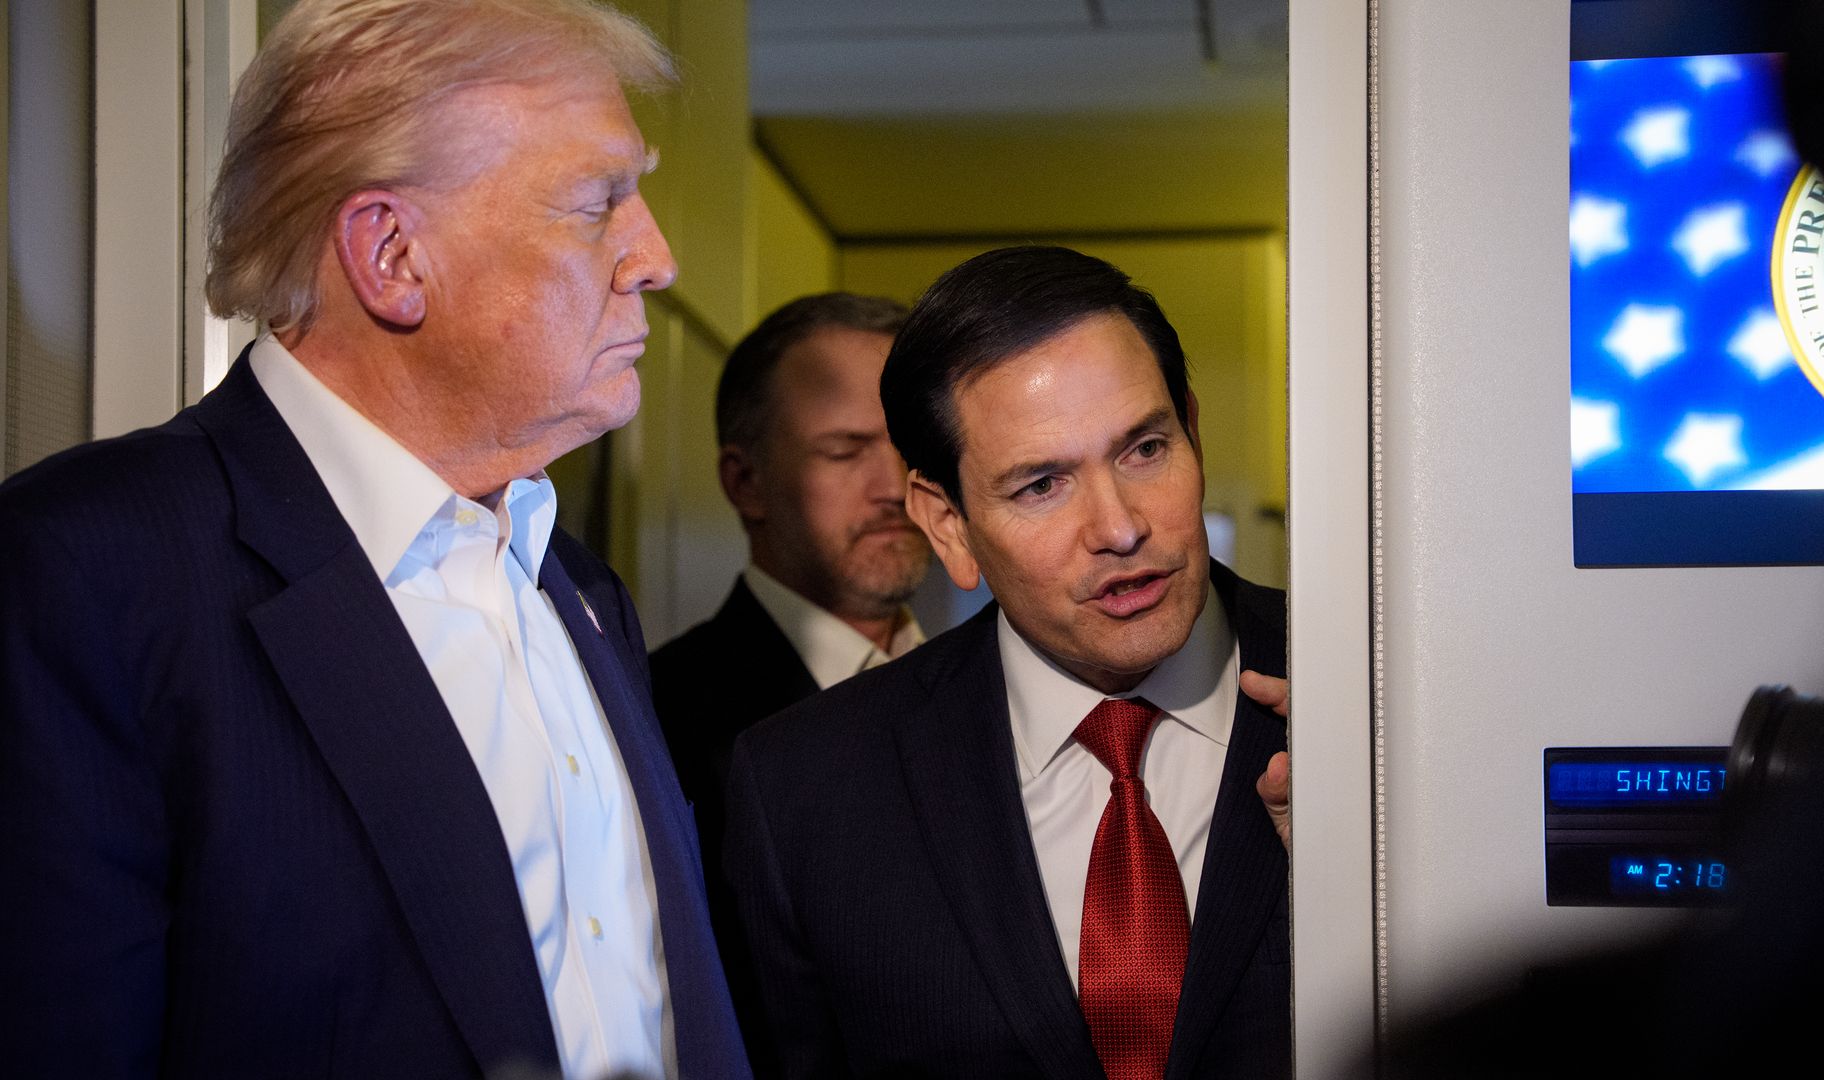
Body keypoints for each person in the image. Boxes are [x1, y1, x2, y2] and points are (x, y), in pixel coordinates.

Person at [0, 2, 748, 1077]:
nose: (657, 259)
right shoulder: (83, 575)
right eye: (598, 205)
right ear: (392, 255)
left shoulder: (575, 587)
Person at [724, 245, 1293, 1078]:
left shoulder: (1377, 701)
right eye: (1041, 485)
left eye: (1144, 449)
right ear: (947, 524)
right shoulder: (806, 791)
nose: (1119, 526)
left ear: (1193, 434)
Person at [648, 291, 930, 1067]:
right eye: (845, 451)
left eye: (911, 447)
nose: (895, 486)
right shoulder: (656, 716)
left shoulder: (1001, 686)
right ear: (746, 483)